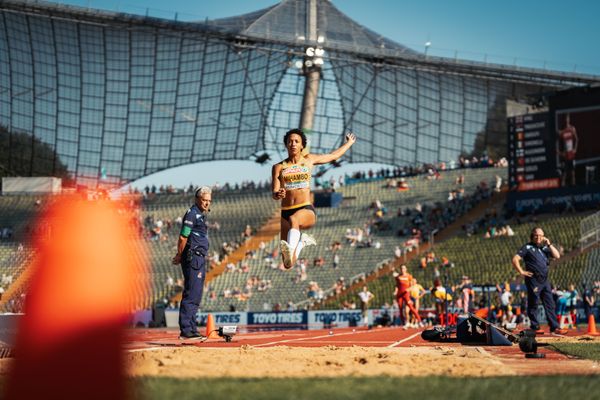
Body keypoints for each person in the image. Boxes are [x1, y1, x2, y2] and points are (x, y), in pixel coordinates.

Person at [272, 129, 356, 268]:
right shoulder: (278, 167)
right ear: (286, 145)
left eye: (296, 141)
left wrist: (349, 143)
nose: (293, 143)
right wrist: (277, 194)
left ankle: (293, 247)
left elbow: (333, 156)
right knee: (288, 263)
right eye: (290, 141)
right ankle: (302, 243)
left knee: (295, 219)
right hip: (285, 212)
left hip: (305, 209)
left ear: (302, 146)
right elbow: (274, 191)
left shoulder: (309, 160)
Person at [172, 186, 212, 340]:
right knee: (191, 293)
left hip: (199, 258)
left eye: (209, 201)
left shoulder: (200, 215)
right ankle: (187, 330)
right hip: (193, 257)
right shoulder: (192, 214)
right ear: (197, 199)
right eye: (204, 200)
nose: (207, 203)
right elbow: (183, 237)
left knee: (196, 294)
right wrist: (179, 255)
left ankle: (192, 329)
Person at [511, 227, 568, 335]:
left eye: (541, 235)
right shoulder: (527, 247)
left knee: (550, 303)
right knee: (534, 303)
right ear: (532, 235)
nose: (539, 237)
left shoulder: (544, 249)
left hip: (545, 280)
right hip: (533, 279)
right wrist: (521, 271)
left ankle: (554, 327)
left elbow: (557, 255)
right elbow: (515, 259)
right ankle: (535, 326)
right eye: (536, 235)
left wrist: (549, 244)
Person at [558, 113, 578, 187]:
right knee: (565, 173)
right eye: (565, 119)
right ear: (564, 120)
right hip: (566, 155)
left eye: (568, 119)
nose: (566, 120)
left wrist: (575, 149)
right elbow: (559, 142)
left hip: (571, 154)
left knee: (573, 173)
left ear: (569, 119)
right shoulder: (562, 131)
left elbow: (577, 139)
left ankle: (574, 189)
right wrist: (560, 152)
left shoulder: (572, 128)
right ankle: (563, 191)